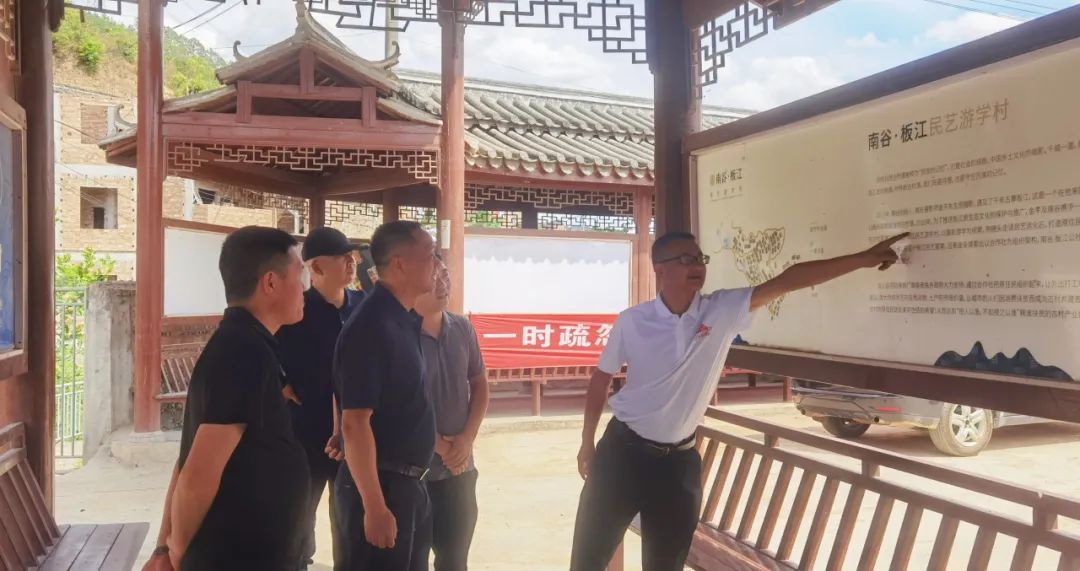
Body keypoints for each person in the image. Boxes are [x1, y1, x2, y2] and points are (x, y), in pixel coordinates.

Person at [569, 230, 909, 571]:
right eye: (685, 259)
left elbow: (789, 281)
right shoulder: (633, 321)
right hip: (622, 453)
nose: (697, 266)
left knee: (665, 564)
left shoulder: (721, 310)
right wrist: (587, 442)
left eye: (700, 258)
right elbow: (600, 380)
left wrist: (864, 259)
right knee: (588, 557)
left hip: (678, 466)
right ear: (660, 270)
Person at [142, 226, 310, 571]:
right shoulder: (243, 352)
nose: (305, 287)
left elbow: (187, 457)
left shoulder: (249, 344)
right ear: (271, 283)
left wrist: (163, 545)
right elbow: (198, 473)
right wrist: (176, 552)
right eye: (300, 274)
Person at [333, 220, 438, 571]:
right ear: (400, 264)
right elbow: (354, 422)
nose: (436, 264)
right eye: (430, 255)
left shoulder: (402, 319)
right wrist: (375, 505)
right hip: (381, 487)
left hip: (409, 485)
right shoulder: (371, 325)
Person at [277, 227, 366, 570]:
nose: (351, 263)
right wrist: (281, 382)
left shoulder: (362, 307)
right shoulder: (296, 310)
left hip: (355, 433)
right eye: (342, 258)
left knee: (350, 520)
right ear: (315, 268)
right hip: (306, 431)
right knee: (300, 520)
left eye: (351, 257)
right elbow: (266, 351)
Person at [415, 257, 490, 571]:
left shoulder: (462, 327)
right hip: (414, 470)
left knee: (455, 559)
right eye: (435, 276)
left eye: (445, 275)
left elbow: (480, 384)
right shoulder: (399, 334)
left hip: (460, 468)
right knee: (412, 559)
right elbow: (393, 406)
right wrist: (440, 446)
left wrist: (466, 440)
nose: (443, 283)